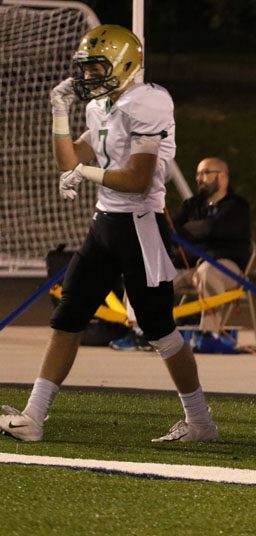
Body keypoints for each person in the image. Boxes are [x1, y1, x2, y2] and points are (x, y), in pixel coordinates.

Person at [0, 25, 217, 443]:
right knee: (67, 318)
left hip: (140, 226)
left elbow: (138, 179)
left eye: (96, 67)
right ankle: (34, 417)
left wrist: (86, 171)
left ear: (125, 64)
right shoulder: (100, 106)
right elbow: (67, 161)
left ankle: (201, 422)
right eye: (84, 70)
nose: (87, 77)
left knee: (159, 331)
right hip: (104, 225)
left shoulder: (148, 101)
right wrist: (59, 112)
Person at [171, 157, 252, 340]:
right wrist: (196, 231)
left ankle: (209, 334)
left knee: (208, 271)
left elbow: (213, 228)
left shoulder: (238, 207)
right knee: (148, 273)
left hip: (226, 270)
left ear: (222, 177)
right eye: (198, 173)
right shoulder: (192, 205)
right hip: (190, 267)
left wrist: (187, 230)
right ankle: (140, 331)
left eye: (206, 173)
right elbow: (171, 228)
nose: (200, 178)